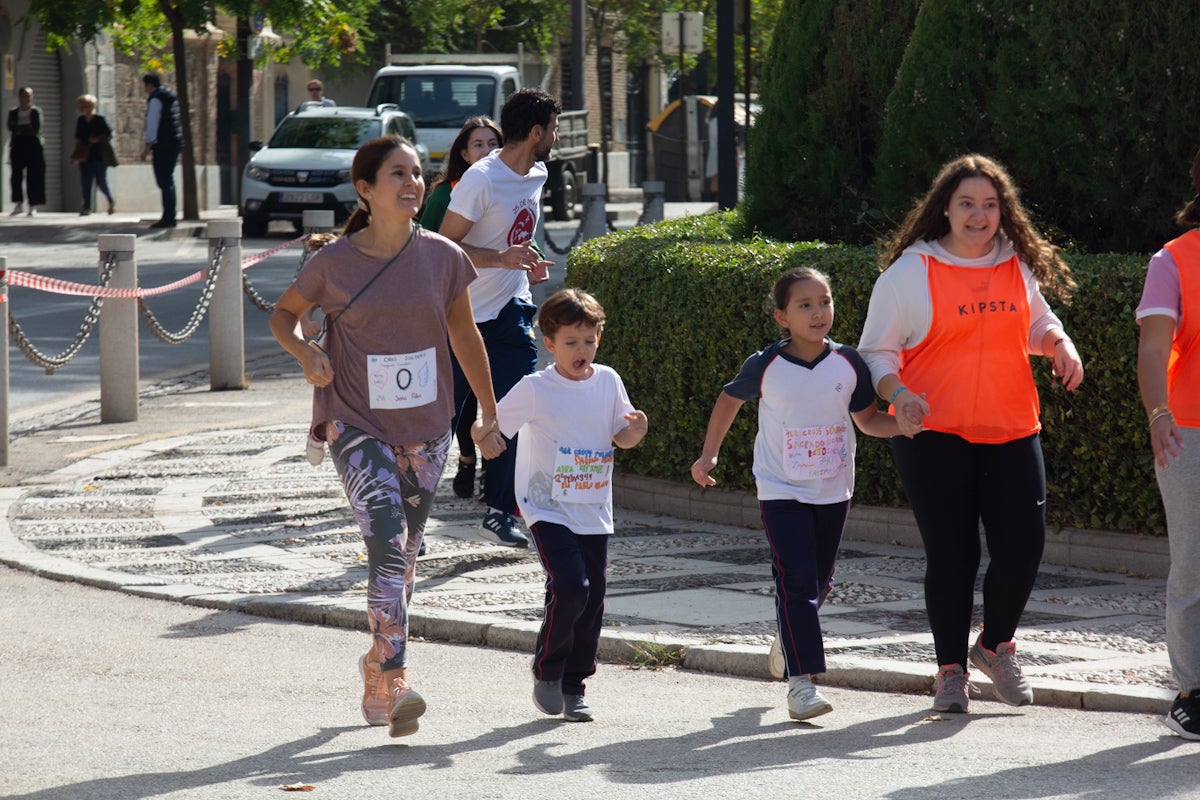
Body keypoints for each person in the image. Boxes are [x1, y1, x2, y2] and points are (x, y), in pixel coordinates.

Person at [269, 134, 506, 738]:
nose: (412, 183)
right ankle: (398, 675)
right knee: (387, 542)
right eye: (398, 173)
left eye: (417, 173)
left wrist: (487, 410)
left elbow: (465, 335)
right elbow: (283, 315)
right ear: (365, 189)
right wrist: (305, 353)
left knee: (405, 555)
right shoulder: (334, 262)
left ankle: (376, 663)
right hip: (355, 420)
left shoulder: (444, 256)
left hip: (427, 427)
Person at [857, 153, 1084, 714]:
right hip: (933, 433)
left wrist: (1059, 343)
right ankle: (950, 672)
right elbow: (875, 353)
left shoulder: (1016, 263)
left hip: (1012, 428)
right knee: (952, 556)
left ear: (1003, 211)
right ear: (945, 208)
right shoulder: (910, 272)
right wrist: (899, 394)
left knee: (1023, 548)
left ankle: (994, 646)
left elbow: (1035, 321)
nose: (979, 215)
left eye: (989, 204)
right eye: (967, 204)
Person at [691, 267, 900, 721]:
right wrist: (709, 454)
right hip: (780, 489)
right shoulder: (765, 364)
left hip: (833, 490)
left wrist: (907, 424)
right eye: (804, 305)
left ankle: (789, 638)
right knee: (798, 582)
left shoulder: (849, 363)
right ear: (782, 317)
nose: (818, 312)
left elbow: (868, 420)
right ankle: (801, 685)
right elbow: (729, 400)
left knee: (817, 583)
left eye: (824, 301)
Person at [489, 288, 647, 722]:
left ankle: (575, 686)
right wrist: (485, 438)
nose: (582, 350)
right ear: (550, 343)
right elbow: (493, 423)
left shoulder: (608, 381)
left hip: (593, 508)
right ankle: (548, 672)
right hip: (546, 507)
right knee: (571, 586)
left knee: (590, 599)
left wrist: (636, 431)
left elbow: (622, 435)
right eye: (571, 342)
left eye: (589, 341)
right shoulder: (536, 388)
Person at [439, 88, 557, 548]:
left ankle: (500, 510)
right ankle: (410, 513)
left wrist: (528, 260)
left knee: (517, 410)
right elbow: (445, 247)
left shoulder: (538, 173)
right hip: (462, 315)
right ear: (536, 132)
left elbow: (516, 233)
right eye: (554, 129)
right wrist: (500, 259)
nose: (557, 137)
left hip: (511, 310)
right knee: (441, 422)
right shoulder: (481, 179)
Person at [1136, 145, 1200, 741]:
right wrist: (1158, 414)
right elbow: (1154, 349)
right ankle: (1191, 691)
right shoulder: (1174, 259)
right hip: (1190, 431)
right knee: (1193, 565)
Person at [421, 116, 503, 499]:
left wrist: (531, 258)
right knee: (460, 398)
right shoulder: (444, 195)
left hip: (500, 306)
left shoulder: (509, 186)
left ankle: (492, 469)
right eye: (478, 145)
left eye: (493, 144)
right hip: (456, 307)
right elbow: (428, 245)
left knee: (496, 392)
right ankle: (466, 459)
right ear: (464, 154)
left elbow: (521, 233)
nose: (486, 151)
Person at [140, 73, 182, 229]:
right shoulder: (169, 97)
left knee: (164, 181)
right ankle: (170, 215)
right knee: (168, 181)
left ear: (150, 85)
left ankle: (168, 216)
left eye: (146, 86)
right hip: (174, 142)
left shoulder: (156, 99)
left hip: (163, 145)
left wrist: (147, 148)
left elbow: (152, 124)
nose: (146, 89)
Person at [71, 94, 116, 216]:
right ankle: (86, 207)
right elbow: (78, 139)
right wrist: (74, 156)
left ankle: (110, 201)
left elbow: (109, 134)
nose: (87, 108)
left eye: (89, 106)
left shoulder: (99, 119)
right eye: (84, 106)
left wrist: (98, 139)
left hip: (99, 155)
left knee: (101, 181)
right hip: (85, 155)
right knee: (86, 182)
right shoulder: (80, 120)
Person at [7, 86, 45, 217]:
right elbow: (11, 127)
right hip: (17, 146)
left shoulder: (35, 111)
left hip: (33, 146)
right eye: (24, 95)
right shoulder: (13, 112)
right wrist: (25, 128)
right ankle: (18, 203)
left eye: (29, 96)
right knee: (16, 176)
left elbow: (36, 129)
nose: (27, 98)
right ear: (19, 97)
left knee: (33, 176)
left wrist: (20, 129)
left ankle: (32, 205)